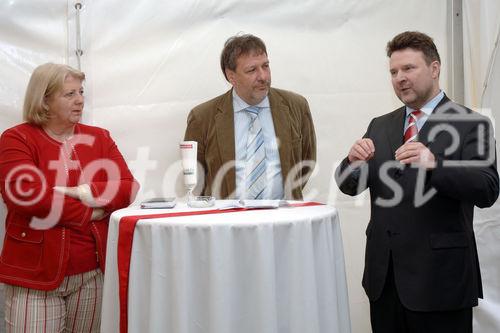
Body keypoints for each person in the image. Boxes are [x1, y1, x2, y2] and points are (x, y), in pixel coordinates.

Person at [335, 31, 499, 333]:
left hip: (441, 283)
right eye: (394, 72)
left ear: (434, 68)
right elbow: (350, 186)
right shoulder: (379, 124)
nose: (400, 78)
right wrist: (351, 164)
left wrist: (435, 164)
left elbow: (487, 187)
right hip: (385, 281)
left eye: (408, 68)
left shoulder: (471, 124)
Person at [0, 63, 139, 332]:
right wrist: (92, 212)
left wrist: (81, 193)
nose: (80, 101)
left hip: (92, 274)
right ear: (45, 100)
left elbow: (128, 187)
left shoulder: (99, 137)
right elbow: (26, 196)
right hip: (35, 278)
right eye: (69, 94)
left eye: (81, 92)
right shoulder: (16, 138)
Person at [184, 34, 316, 200]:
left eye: (265, 66)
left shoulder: (296, 106)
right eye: (252, 70)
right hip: (226, 221)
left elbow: (306, 161)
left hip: (284, 218)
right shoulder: (203, 117)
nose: (263, 76)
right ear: (231, 76)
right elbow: (195, 176)